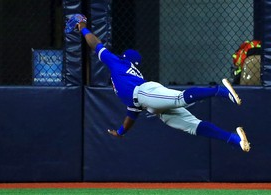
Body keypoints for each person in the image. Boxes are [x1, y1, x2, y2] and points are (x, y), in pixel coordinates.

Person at [65, 14, 250, 152]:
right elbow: (132, 114)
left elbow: (95, 44)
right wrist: (121, 132)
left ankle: (219, 90)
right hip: (148, 104)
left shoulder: (118, 63)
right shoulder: (129, 75)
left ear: (124, 58)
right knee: (194, 126)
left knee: (179, 98)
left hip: (144, 93)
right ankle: (236, 140)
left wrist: (82, 27)